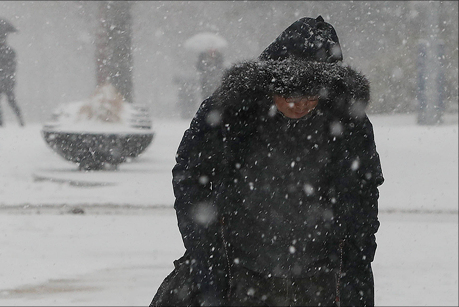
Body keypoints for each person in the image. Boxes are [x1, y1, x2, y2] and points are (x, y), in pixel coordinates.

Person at [151, 16, 384, 306]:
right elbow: (191, 176)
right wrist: (207, 254)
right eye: (290, 94)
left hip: (320, 279)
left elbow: (362, 197)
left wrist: (355, 267)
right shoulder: (230, 111)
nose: (299, 105)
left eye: (310, 95)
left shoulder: (348, 122)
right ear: (271, 83)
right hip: (241, 273)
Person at [0, 33, 24, 127]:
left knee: (10, 101)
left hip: (6, 81)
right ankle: (0, 121)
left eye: (2, 38)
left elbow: (12, 66)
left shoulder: (9, 52)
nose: (0, 40)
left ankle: (20, 119)